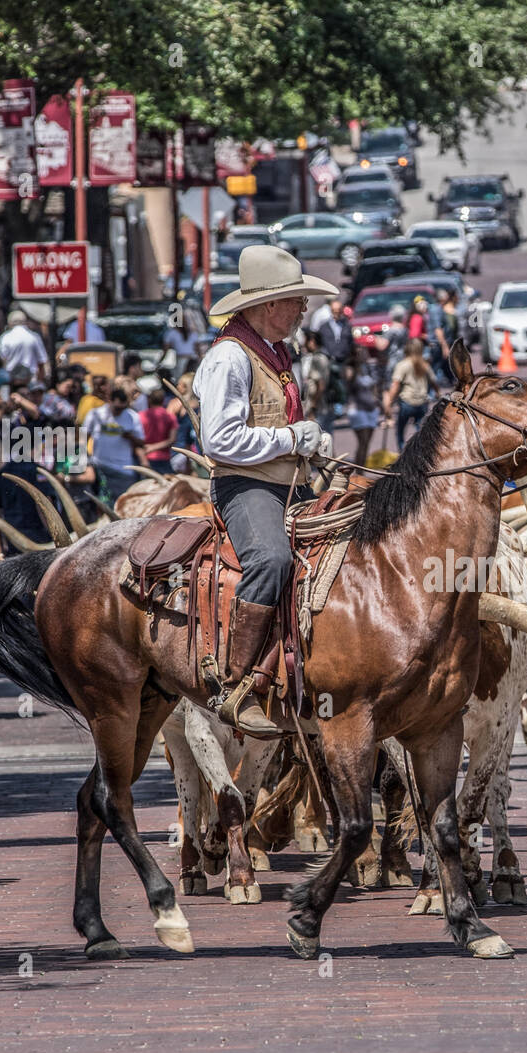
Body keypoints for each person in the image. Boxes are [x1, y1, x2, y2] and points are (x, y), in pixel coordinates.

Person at [194, 245, 337, 736]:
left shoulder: (273, 350)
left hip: (285, 480)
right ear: (268, 305)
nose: (302, 310)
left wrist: (310, 446)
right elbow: (220, 439)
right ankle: (238, 686)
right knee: (272, 559)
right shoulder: (230, 357)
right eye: (296, 301)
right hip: (244, 486)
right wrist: (292, 438)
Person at [83, 379, 147, 505]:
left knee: (122, 506)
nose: (119, 411)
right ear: (110, 401)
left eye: (122, 408)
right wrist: (85, 459)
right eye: (116, 408)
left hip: (123, 470)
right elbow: (83, 436)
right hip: (99, 466)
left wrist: (130, 437)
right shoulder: (96, 414)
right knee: (100, 505)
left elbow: (141, 442)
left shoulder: (132, 416)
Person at [383, 337, 437, 449]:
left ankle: (403, 453)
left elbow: (395, 385)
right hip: (422, 402)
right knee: (421, 432)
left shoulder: (402, 365)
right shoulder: (425, 364)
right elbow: (433, 381)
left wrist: (389, 402)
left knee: (400, 431)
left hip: (407, 402)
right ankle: (421, 452)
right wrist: (437, 392)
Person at [317, 298, 353, 424]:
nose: (336, 314)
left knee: (341, 384)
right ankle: (328, 406)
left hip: (342, 360)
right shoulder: (324, 326)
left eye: (339, 311)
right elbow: (319, 342)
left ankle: (339, 406)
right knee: (329, 383)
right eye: (334, 311)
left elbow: (350, 343)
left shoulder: (347, 325)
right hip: (328, 360)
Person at [346, 346, 381, 467]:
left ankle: (361, 469)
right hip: (357, 409)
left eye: (364, 353)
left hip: (371, 408)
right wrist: (354, 365)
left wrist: (378, 401)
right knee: (363, 441)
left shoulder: (369, 368)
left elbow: (375, 386)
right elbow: (348, 381)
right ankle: (358, 470)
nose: (362, 355)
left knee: (366, 443)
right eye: (359, 354)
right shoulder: (350, 369)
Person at [0, 308, 48, 381]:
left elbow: (2, 358)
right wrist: (40, 381)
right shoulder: (33, 336)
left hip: (12, 378)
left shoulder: (5, 337)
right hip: (31, 378)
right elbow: (41, 360)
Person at [167, 372, 202, 474]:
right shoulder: (200, 405)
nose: (178, 387)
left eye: (182, 384)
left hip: (178, 449)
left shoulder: (175, 403)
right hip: (195, 452)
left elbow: (167, 422)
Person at [139, 383, 179, 471]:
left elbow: (137, 438)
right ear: (163, 400)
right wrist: (154, 447)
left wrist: (150, 448)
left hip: (145, 458)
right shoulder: (170, 416)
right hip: (164, 459)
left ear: (149, 400)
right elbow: (172, 440)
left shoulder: (140, 416)